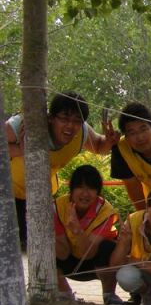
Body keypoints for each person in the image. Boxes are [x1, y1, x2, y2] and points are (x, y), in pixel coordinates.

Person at [7, 91, 118, 244]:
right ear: (51, 118)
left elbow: (99, 146)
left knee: (37, 244)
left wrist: (109, 141)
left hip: (40, 195)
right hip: (6, 192)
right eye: (64, 118)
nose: (70, 125)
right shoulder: (27, 124)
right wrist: (22, 150)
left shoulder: (82, 132)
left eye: (77, 120)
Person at [54, 165, 120, 305]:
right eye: (80, 187)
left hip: (93, 263)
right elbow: (63, 254)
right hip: (68, 260)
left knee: (107, 247)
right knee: (47, 249)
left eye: (91, 188)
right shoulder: (58, 206)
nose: (85, 193)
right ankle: (65, 294)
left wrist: (77, 231)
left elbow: (88, 253)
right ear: (72, 189)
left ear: (98, 192)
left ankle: (109, 294)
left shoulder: (105, 211)